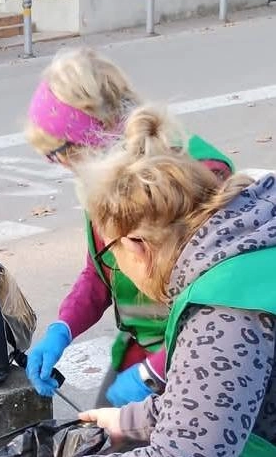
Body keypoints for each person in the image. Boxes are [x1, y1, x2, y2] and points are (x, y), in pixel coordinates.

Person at [22, 48, 233, 408]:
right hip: (139, 354)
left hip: (200, 360)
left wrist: (158, 371)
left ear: (93, 134)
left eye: (58, 151)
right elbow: (102, 269)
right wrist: (63, 326)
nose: (55, 164)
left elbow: (225, 303)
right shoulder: (106, 179)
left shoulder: (202, 176)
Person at [76, 107, 276, 456]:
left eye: (110, 252)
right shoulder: (248, 240)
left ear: (136, 244)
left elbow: (184, 451)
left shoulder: (224, 306)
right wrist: (131, 421)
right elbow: (211, 398)